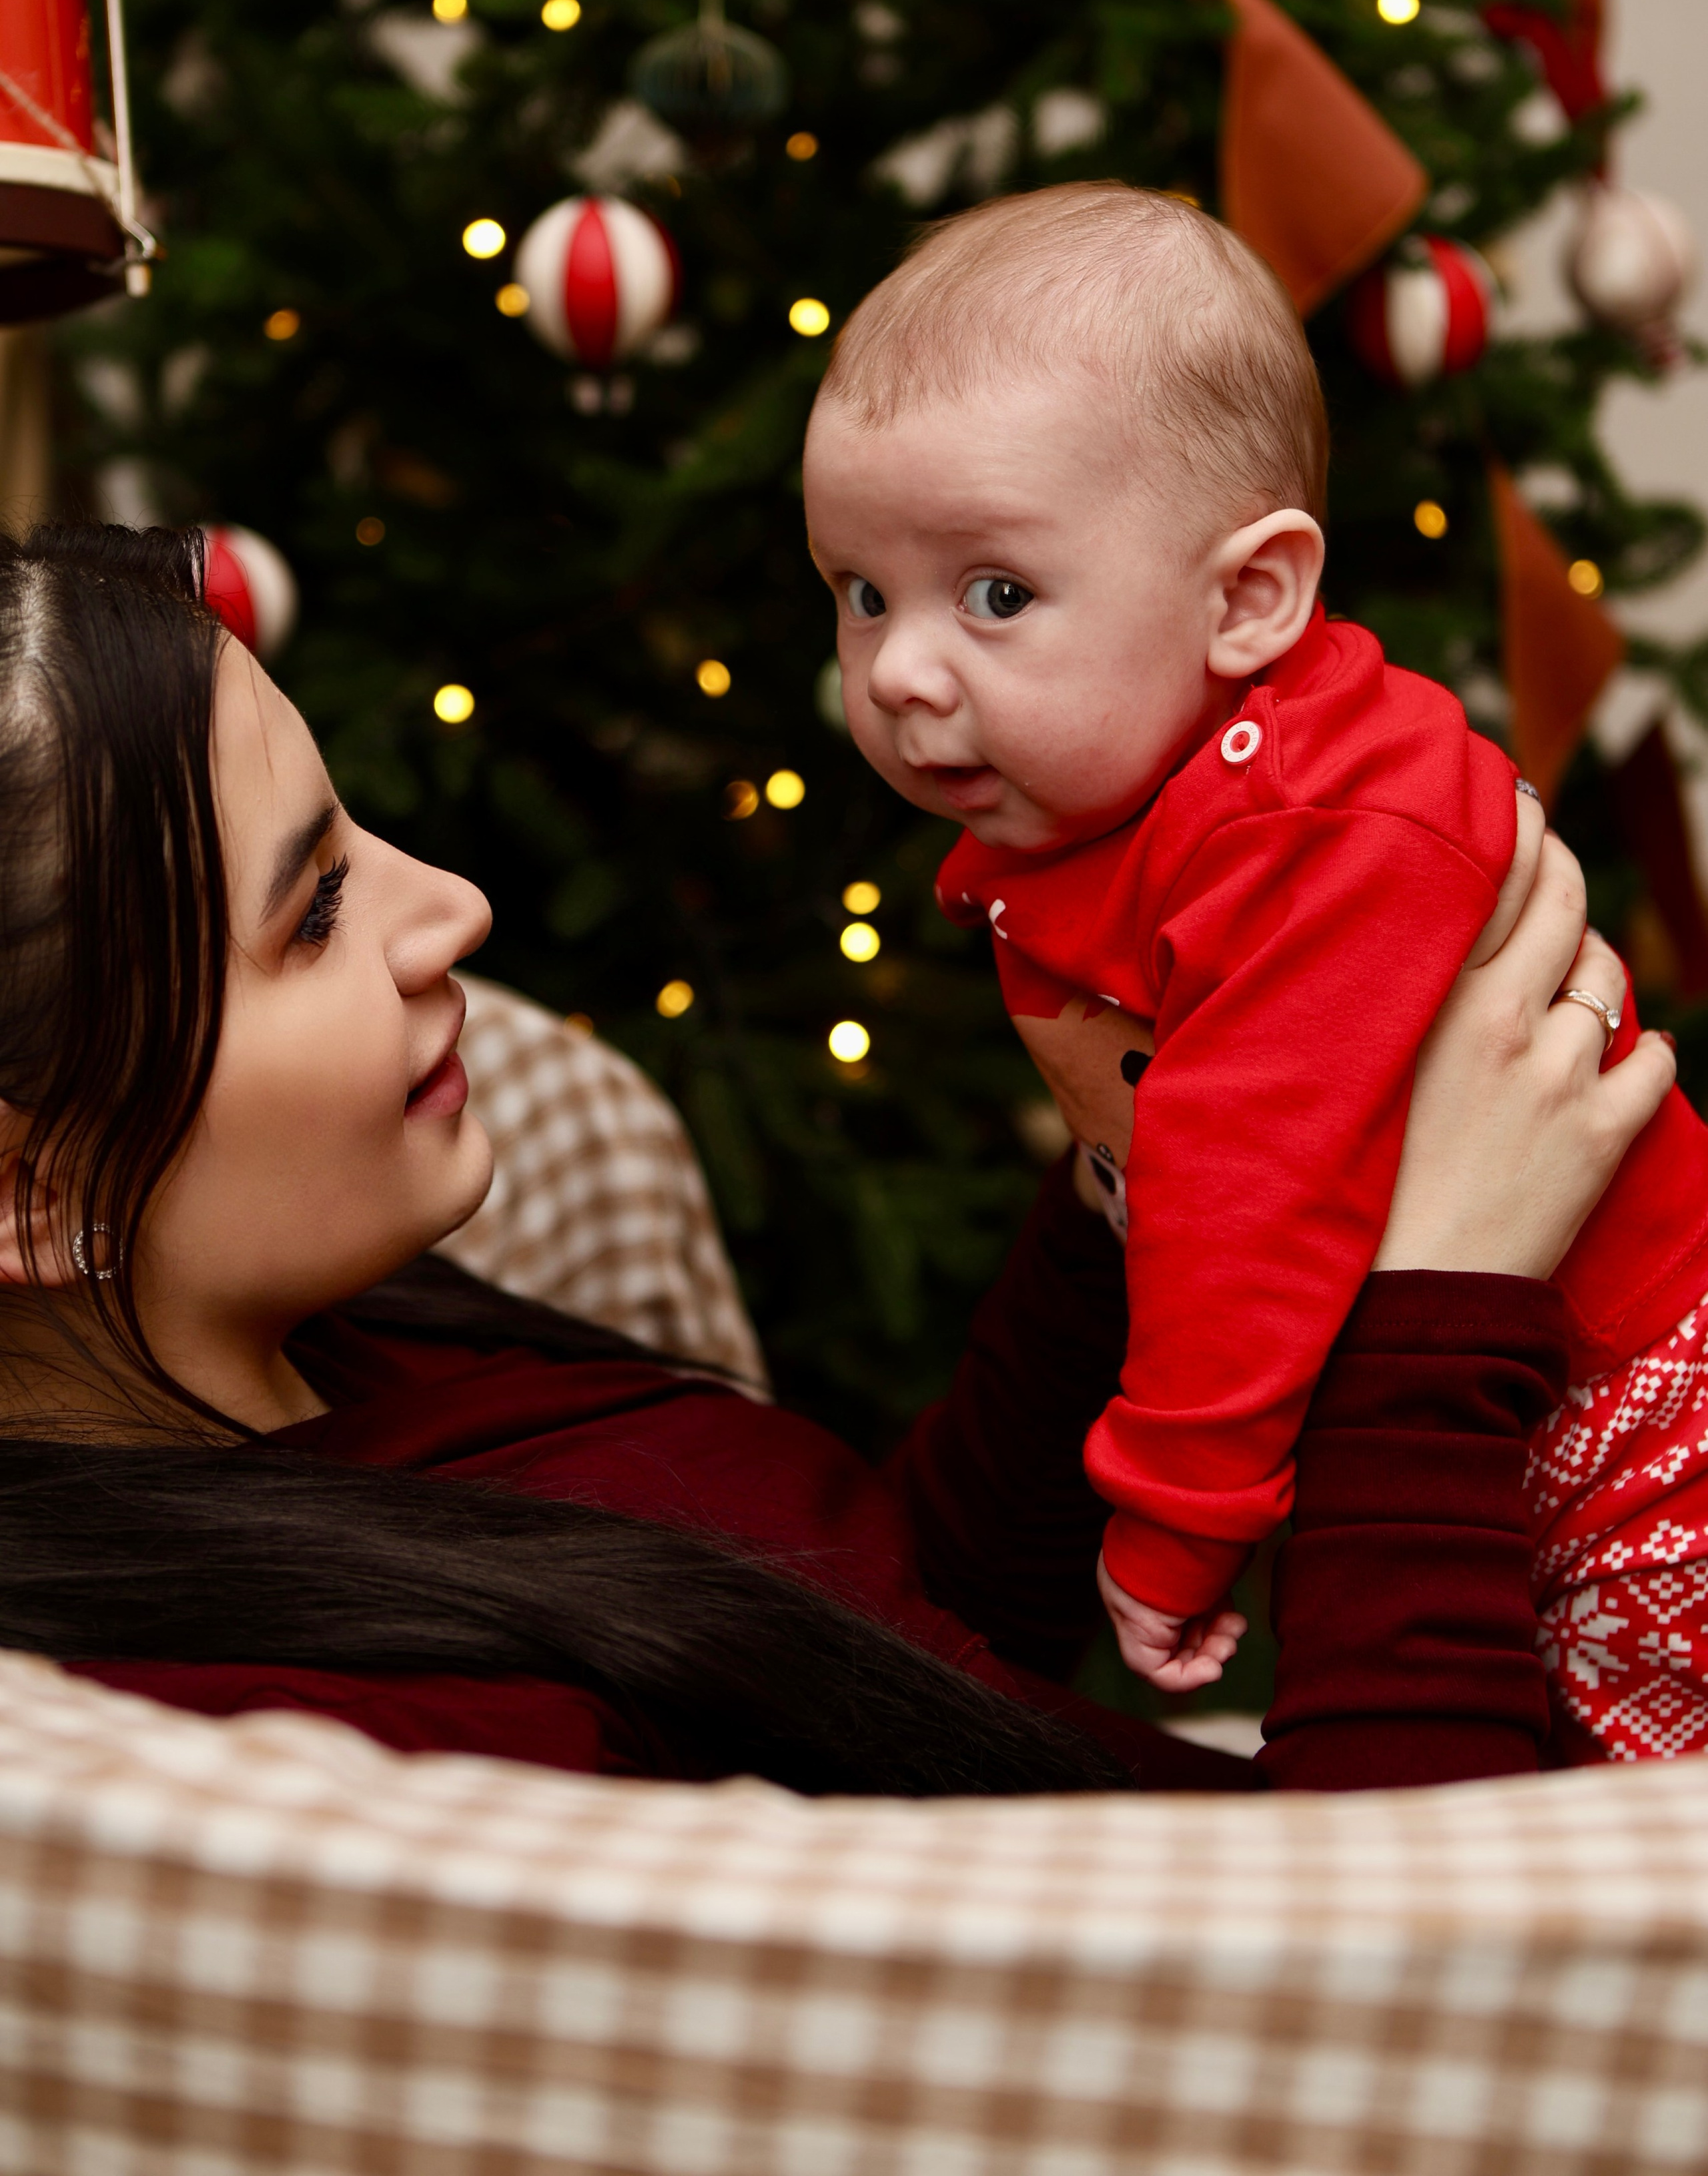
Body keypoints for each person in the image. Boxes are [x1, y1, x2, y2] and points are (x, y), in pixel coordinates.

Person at [0, 524, 1667, 1792]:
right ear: (31, 1188)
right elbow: (1425, 2006)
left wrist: (1136, 1177)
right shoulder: (393, 1752)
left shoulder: (332, 1349)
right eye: (312, 910)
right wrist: (1433, 1302)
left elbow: (899, 1659)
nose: (455, 907)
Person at [803, 181, 1701, 1762]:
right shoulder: (1110, 816)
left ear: (1247, 600)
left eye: (993, 594)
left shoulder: (1313, 822)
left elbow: (1246, 1185)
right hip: (1500, 1432)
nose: (893, 669)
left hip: (1648, 1426)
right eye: (859, 592)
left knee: (1623, 1838)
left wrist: (1170, 1514)